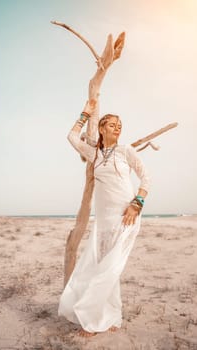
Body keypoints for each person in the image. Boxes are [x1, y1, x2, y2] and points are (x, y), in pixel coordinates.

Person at [58, 100, 150, 337]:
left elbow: (146, 178)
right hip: (103, 221)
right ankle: (112, 317)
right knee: (104, 267)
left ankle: (90, 321)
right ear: (101, 128)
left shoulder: (125, 150)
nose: (117, 128)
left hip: (126, 217)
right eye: (112, 125)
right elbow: (71, 137)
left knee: (109, 269)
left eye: (119, 125)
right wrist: (84, 114)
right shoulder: (95, 154)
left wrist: (136, 204)